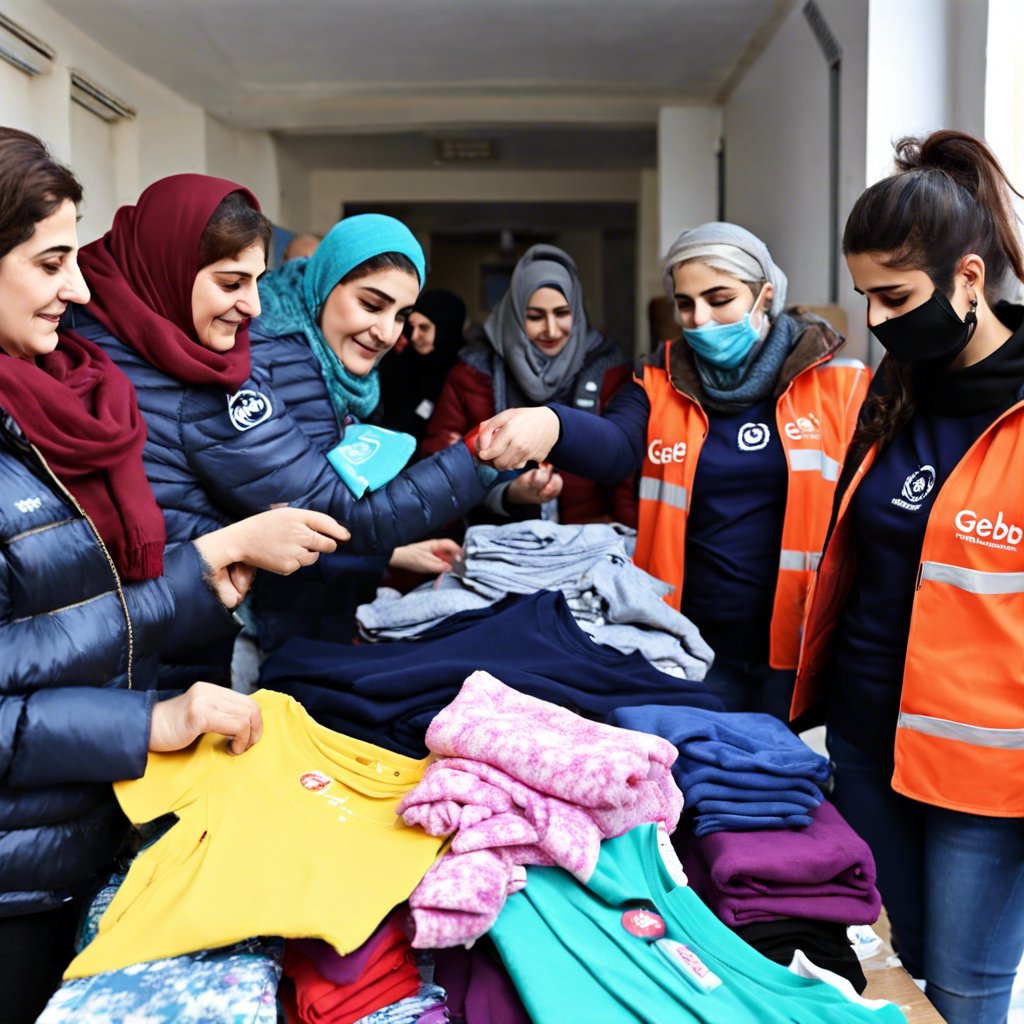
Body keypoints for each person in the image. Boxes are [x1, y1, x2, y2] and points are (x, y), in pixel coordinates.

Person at [0, 128, 349, 1022]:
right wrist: (146, 719)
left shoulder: (64, 398)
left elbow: (43, 629)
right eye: (50, 264)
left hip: (69, 834)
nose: (77, 290)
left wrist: (195, 574)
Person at [791, 130, 1024, 1024]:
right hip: (865, 741)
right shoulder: (894, 396)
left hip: (985, 774)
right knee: (893, 976)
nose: (879, 320)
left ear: (969, 278)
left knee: (964, 995)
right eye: (865, 298)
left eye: (896, 296)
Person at [68, 185, 490, 654]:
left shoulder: (186, 354)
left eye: (403, 316)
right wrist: (485, 455)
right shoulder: (218, 376)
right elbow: (326, 506)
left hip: (180, 632)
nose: (253, 305)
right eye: (232, 283)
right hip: (187, 641)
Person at [475, 223, 869, 716]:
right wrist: (553, 424)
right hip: (687, 644)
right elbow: (615, 447)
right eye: (686, 304)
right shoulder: (658, 381)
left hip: (799, 650)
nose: (700, 320)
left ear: (765, 294)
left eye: (719, 298)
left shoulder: (841, 385)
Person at [422, 244, 638, 526]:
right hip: (495, 543)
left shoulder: (609, 371)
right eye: (535, 316)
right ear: (514, 315)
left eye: (562, 313)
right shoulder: (472, 374)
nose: (550, 329)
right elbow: (441, 471)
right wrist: (505, 494)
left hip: (591, 539)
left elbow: (626, 469)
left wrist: (627, 538)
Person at [378, 287, 467, 444]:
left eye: (424, 328)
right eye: (412, 326)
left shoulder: (466, 375)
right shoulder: (397, 364)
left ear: (445, 329)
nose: (414, 336)